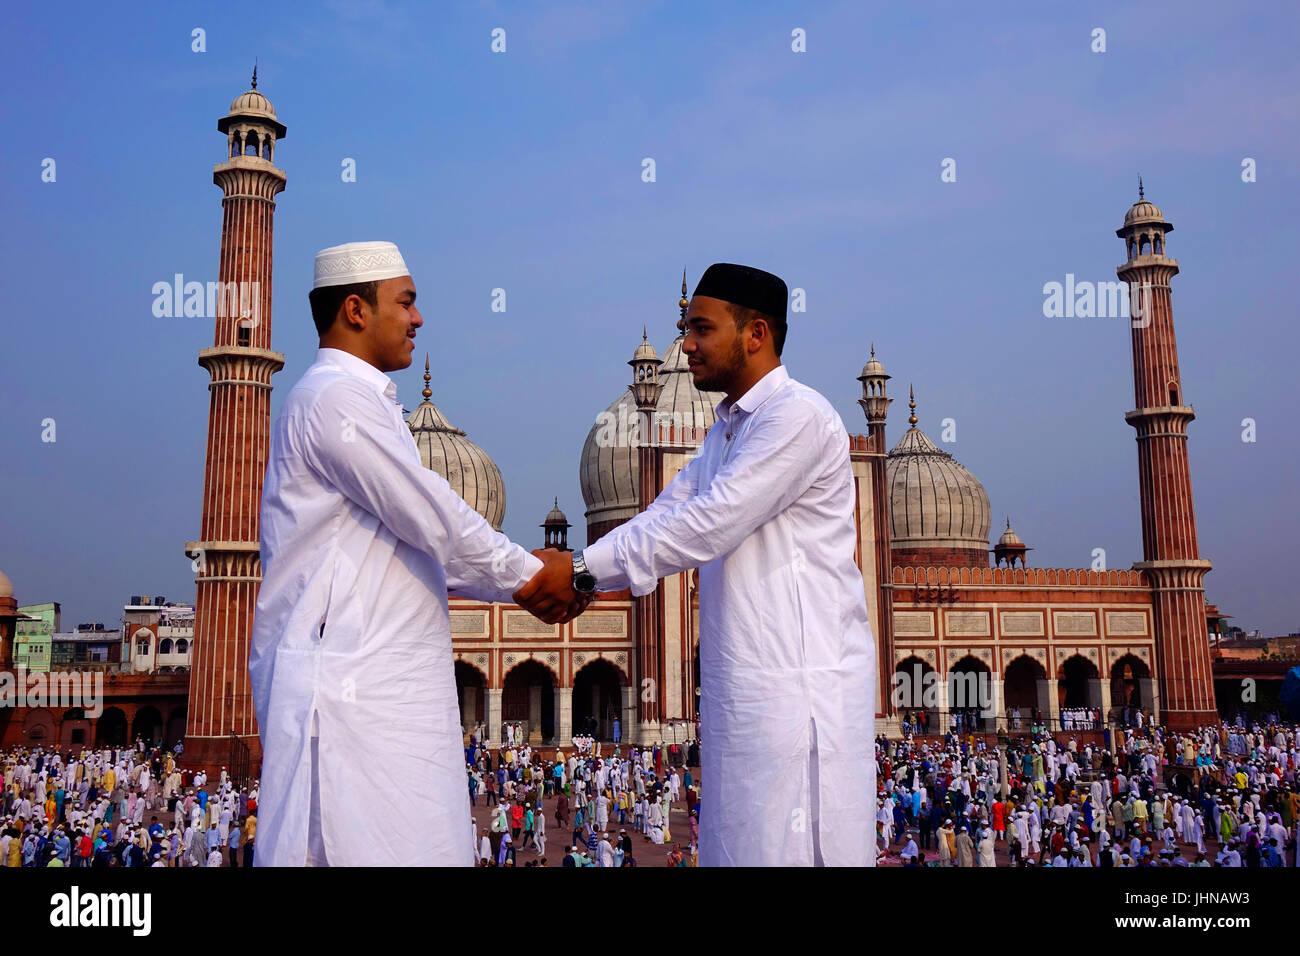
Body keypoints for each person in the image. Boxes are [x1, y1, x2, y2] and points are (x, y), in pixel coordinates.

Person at [518, 263, 875, 866]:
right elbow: (666, 514)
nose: (685, 344)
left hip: (797, 704)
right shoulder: (726, 433)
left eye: (701, 329)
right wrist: (581, 568)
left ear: (756, 334)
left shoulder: (799, 417)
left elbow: (709, 522)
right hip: (745, 707)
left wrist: (578, 573)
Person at [250, 241, 591, 867]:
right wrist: (528, 575)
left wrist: (530, 575)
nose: (419, 319)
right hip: (354, 700)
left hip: (386, 695)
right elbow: (432, 515)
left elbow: (432, 528)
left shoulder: (361, 403)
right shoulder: (333, 400)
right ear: (356, 310)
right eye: (406, 302)